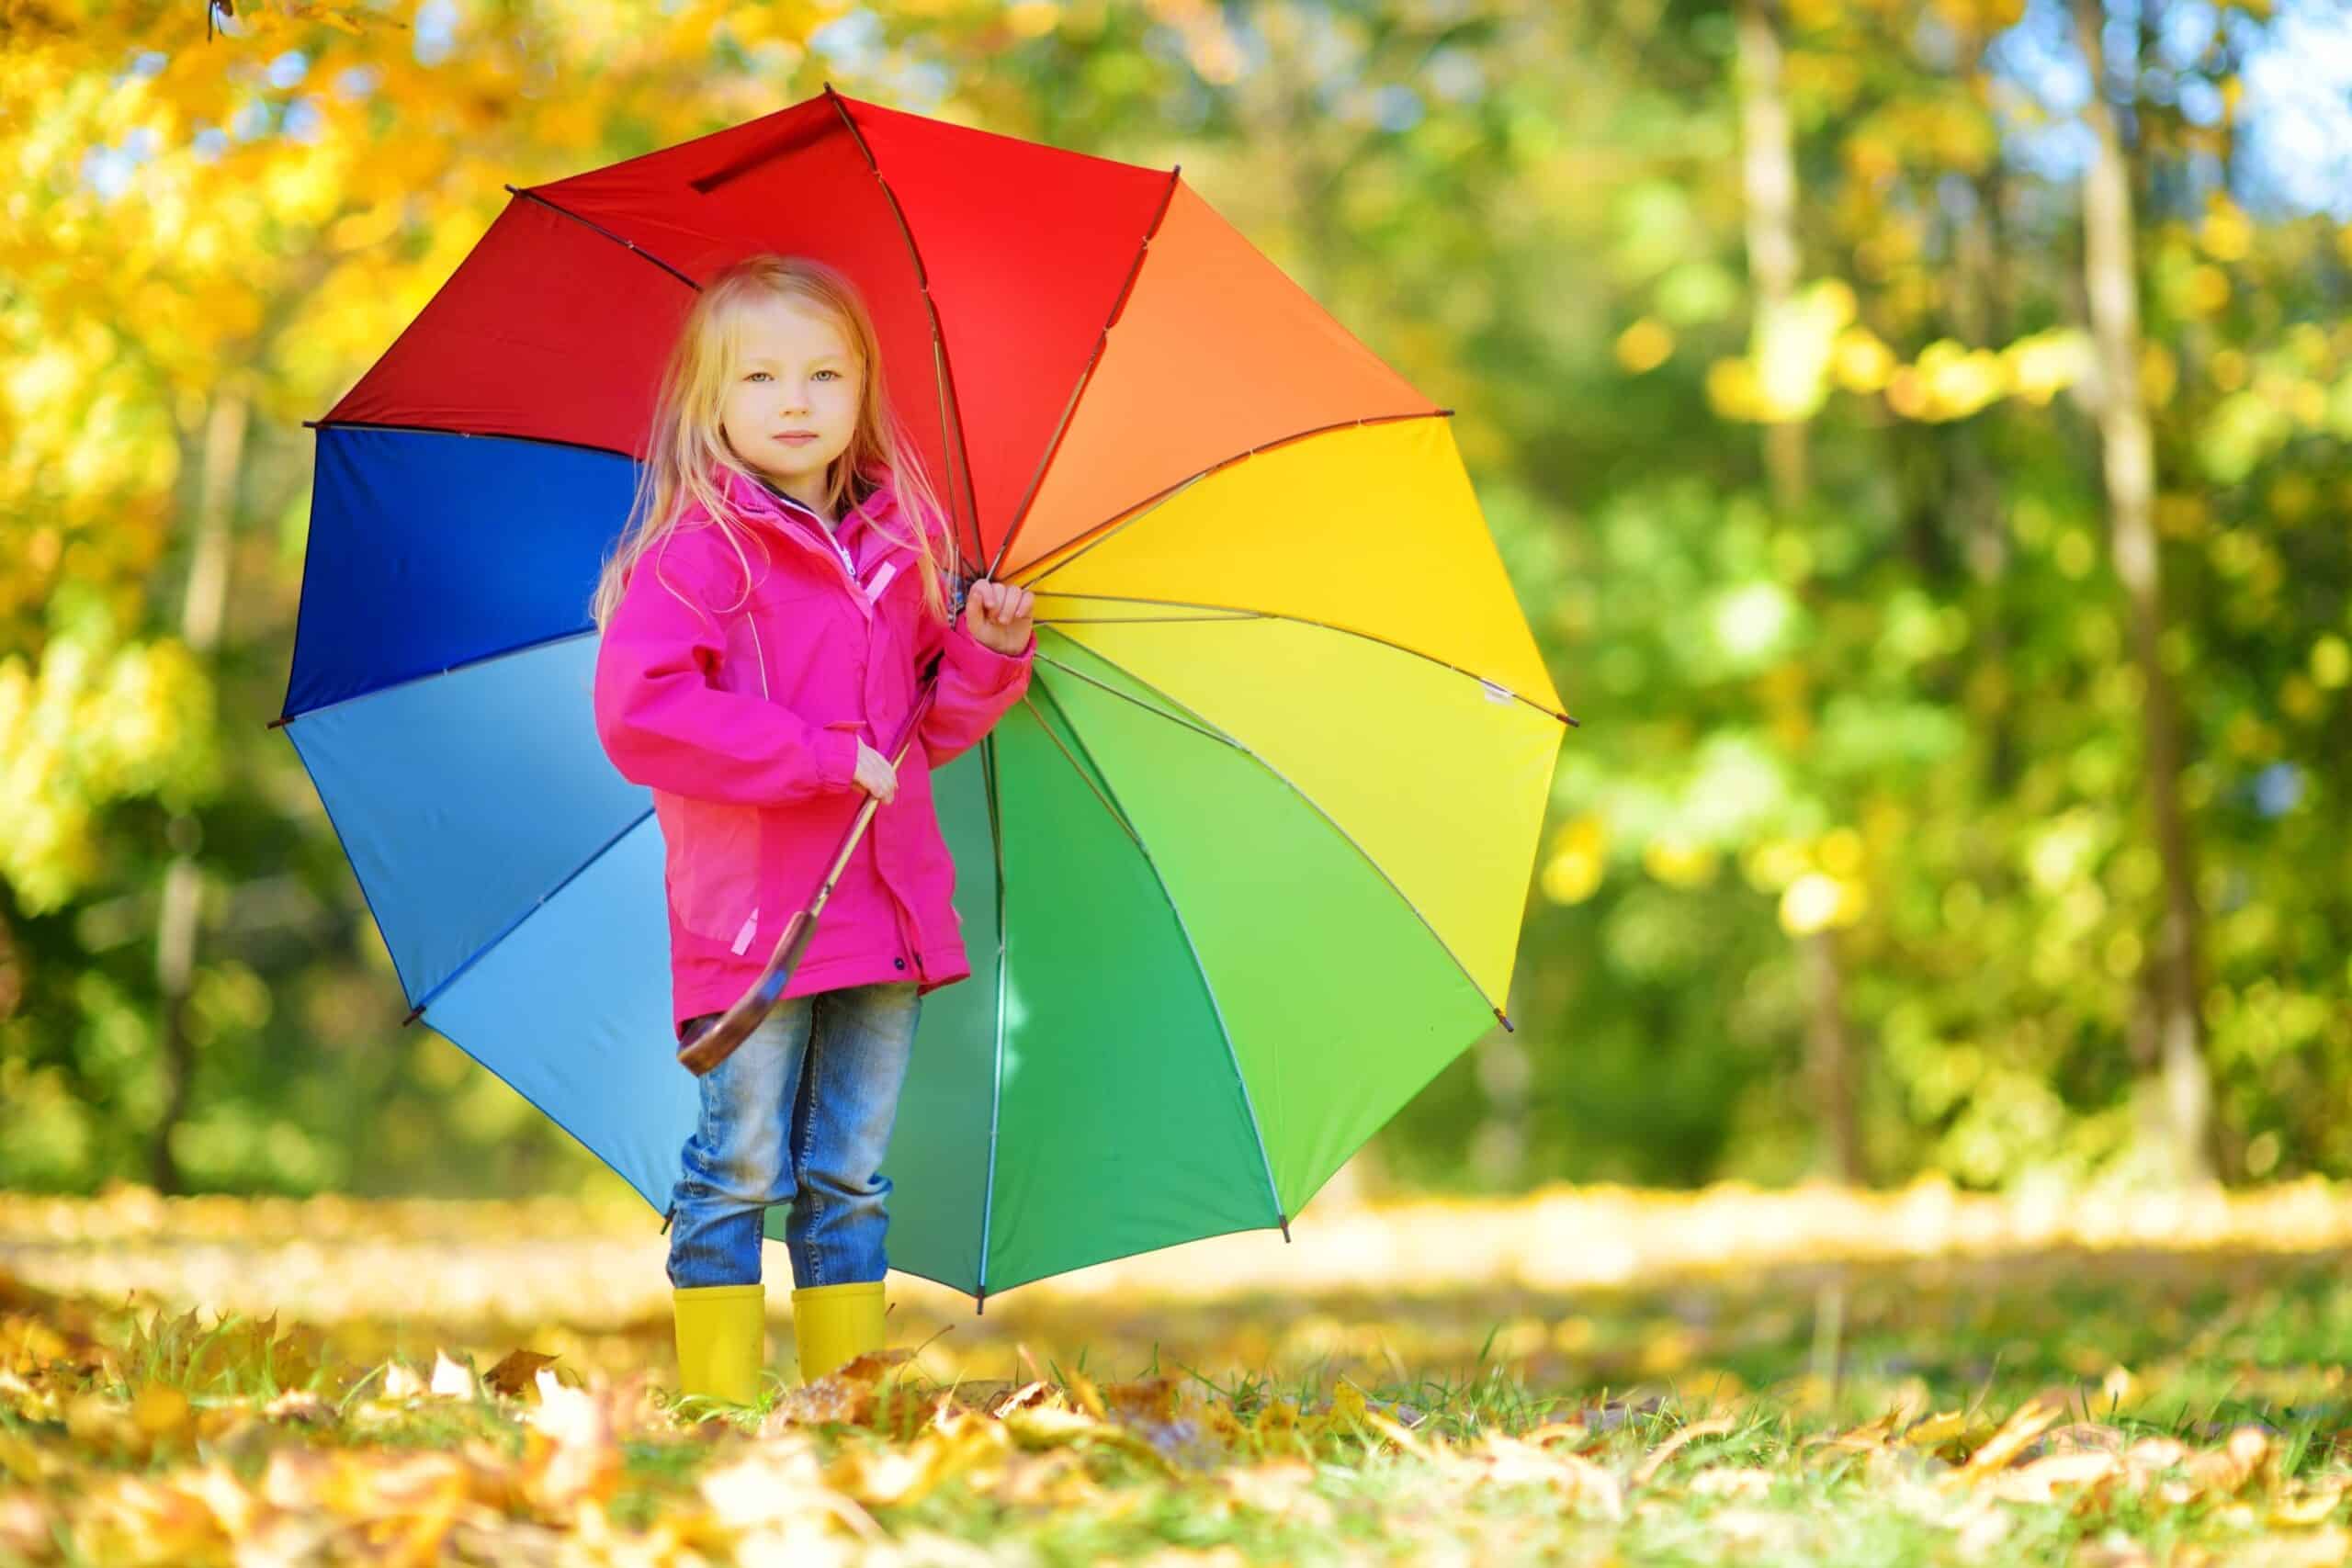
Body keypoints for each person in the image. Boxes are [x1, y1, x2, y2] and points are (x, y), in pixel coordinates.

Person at [589, 254, 1035, 1407]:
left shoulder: (899, 554)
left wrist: (981, 648)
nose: (795, 401)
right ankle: (722, 1405)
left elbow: (920, 733)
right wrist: (812, 757)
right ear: (713, 403)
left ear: (861, 394)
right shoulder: (699, 558)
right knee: (737, 1169)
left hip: (883, 913)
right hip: (757, 924)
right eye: (763, 377)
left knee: (849, 1175)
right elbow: (644, 716)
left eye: (825, 375)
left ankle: (847, 1400)